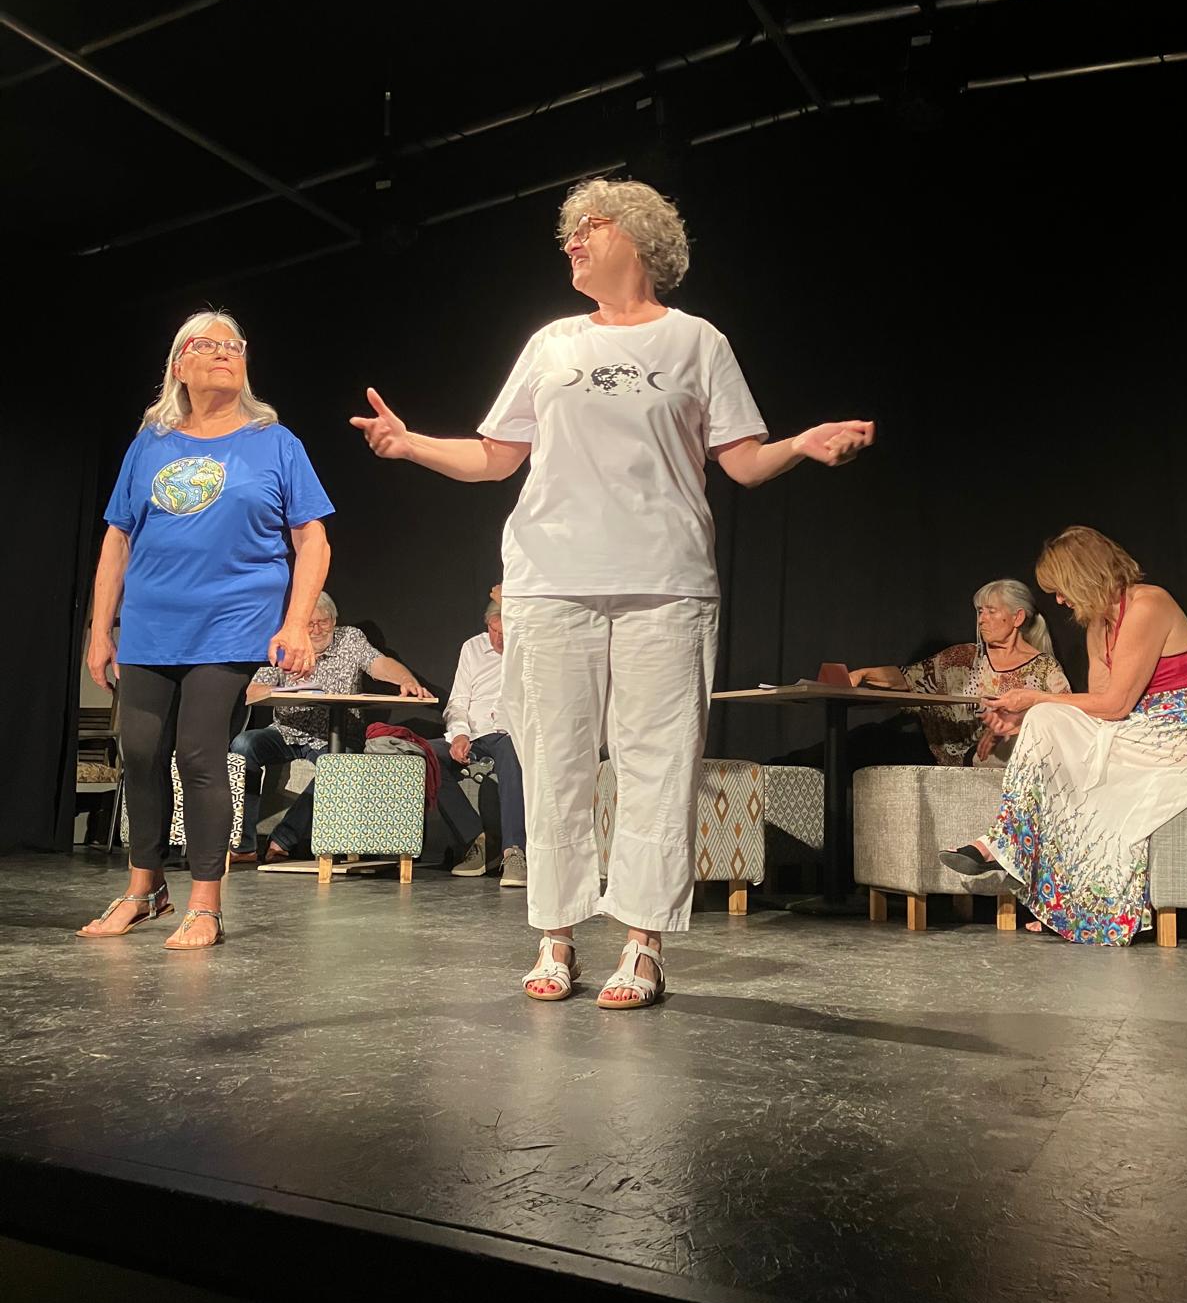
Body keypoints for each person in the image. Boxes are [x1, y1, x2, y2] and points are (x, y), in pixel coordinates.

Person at [352, 176, 874, 1006]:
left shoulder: (697, 342)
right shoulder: (551, 343)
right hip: (549, 579)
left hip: (665, 582)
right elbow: (495, 456)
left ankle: (642, 943)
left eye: (588, 226)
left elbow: (742, 460)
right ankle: (555, 937)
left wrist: (803, 445)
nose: (572, 241)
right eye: (569, 231)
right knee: (552, 759)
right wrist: (410, 443)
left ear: (639, 236)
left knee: (658, 763)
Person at [79, 311, 333, 949]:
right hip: (150, 621)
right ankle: (145, 889)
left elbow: (312, 538)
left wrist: (296, 621)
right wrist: (100, 629)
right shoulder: (150, 444)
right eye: (208, 344)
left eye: (234, 345)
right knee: (140, 750)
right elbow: (117, 539)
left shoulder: (276, 442)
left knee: (198, 751)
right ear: (179, 365)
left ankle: (205, 902)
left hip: (231, 619)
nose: (225, 353)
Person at [940, 527, 1187, 944]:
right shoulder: (1098, 624)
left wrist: (1034, 700)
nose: (1059, 601)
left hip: (1177, 737)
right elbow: (1098, 706)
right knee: (1046, 719)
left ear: (1084, 576)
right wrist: (1027, 721)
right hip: (1132, 731)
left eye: (1061, 590)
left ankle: (1003, 846)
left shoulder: (1149, 604)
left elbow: (1115, 704)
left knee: (1045, 711)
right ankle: (1008, 849)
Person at [230, 590, 434, 864]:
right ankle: (244, 845)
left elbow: (379, 664)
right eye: (309, 624)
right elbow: (253, 691)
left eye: (323, 622)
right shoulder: (286, 643)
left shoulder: (350, 639)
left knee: (338, 765)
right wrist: (285, 691)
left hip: (335, 735)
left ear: (334, 620)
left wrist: (406, 680)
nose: (316, 630)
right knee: (244, 745)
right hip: (286, 731)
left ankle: (282, 840)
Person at [851, 579, 1070, 764]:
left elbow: (1066, 715)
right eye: (980, 612)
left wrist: (1015, 726)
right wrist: (862, 674)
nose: (981, 619)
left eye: (991, 611)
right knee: (867, 737)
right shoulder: (962, 657)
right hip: (955, 757)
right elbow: (907, 678)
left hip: (1009, 758)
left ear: (1017, 617)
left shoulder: (1044, 668)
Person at [428, 597, 526, 886]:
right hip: (474, 735)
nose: (499, 640)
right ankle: (478, 841)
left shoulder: (530, 650)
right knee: (426, 754)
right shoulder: (472, 648)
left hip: (510, 734)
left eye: (506, 633)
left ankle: (514, 851)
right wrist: (459, 733)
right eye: (494, 631)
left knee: (510, 749)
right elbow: (458, 702)